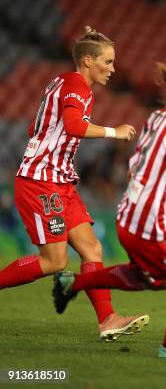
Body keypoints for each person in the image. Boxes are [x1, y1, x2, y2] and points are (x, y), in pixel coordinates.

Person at [52, 55, 166, 360]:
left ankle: (74, 282)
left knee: (154, 279)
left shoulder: (160, 116)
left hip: (129, 216)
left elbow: (135, 167)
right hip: (149, 223)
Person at [0, 26, 147, 341]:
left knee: (92, 248)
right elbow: (73, 125)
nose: (113, 69)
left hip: (60, 181)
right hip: (41, 182)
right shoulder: (77, 87)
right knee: (54, 261)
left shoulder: (68, 83)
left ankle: (107, 320)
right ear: (88, 61)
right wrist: (114, 131)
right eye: (107, 62)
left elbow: (40, 126)